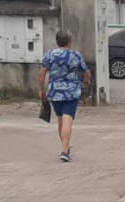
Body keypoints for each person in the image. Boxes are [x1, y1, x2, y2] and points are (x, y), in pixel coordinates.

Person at [39, 30, 91, 162]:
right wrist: (86, 82)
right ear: (69, 42)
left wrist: (41, 90)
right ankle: (64, 151)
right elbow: (86, 73)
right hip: (71, 92)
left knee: (61, 120)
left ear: (57, 41)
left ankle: (65, 148)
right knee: (68, 120)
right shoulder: (75, 55)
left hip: (55, 92)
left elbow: (42, 74)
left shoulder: (49, 55)